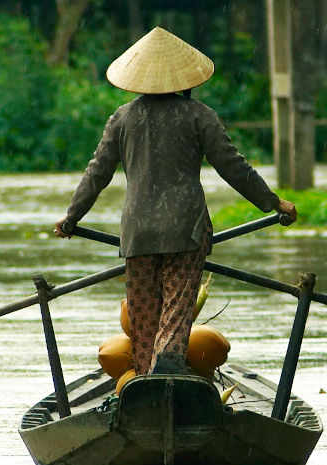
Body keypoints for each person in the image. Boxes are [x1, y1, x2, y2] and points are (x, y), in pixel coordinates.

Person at [54, 27, 298, 375]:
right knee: (177, 309)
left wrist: (71, 218)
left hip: (137, 233)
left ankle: (144, 378)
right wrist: (274, 203)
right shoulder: (199, 115)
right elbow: (233, 167)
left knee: (142, 318)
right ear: (186, 78)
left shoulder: (122, 118)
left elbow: (98, 173)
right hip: (186, 230)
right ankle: (168, 360)